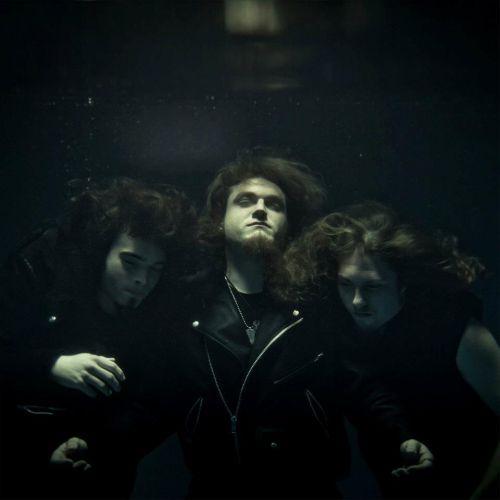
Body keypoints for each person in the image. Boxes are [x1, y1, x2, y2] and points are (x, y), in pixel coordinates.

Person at [145, 149, 434, 498]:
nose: (260, 209)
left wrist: (400, 437)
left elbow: (360, 386)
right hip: (217, 489)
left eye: (274, 204)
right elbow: (152, 402)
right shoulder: (189, 310)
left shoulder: (316, 306)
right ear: (220, 218)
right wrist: (100, 444)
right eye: (245, 200)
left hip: (308, 489)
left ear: (288, 225)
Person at [282, 201, 500, 498]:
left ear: (404, 285)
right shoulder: (339, 335)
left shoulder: (458, 329)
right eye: (346, 284)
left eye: (372, 287)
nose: (357, 301)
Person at [0, 177, 196, 499]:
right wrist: (51, 366)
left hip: (100, 476)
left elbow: (156, 406)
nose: (142, 280)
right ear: (102, 249)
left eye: (155, 269)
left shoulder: (162, 316)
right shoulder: (42, 268)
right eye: (130, 262)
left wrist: (98, 447)